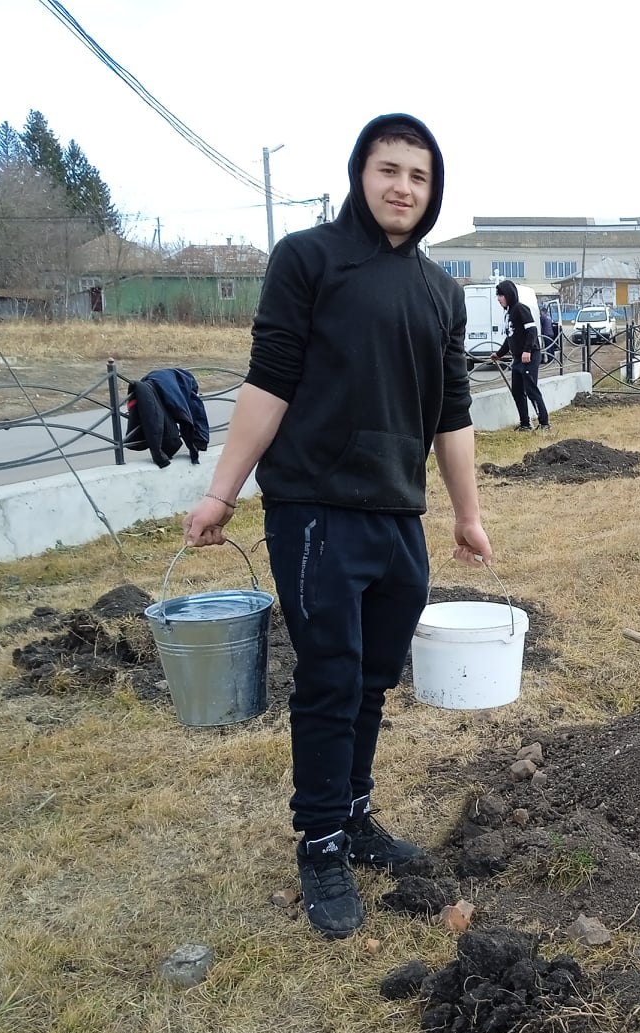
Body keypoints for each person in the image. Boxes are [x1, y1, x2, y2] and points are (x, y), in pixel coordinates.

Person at [182, 113, 492, 941]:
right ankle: (318, 841)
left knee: (373, 678)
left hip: (399, 515)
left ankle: (354, 816)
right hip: (315, 508)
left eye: (420, 177)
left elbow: (452, 413)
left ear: (434, 191)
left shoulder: (440, 292)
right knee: (329, 675)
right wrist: (222, 492)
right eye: (389, 169)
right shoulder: (310, 259)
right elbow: (270, 380)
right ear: (361, 174)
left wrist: (467, 514)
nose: (403, 187)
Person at [493, 279, 549, 432]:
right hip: (517, 358)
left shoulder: (520, 309)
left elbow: (532, 331)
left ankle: (544, 423)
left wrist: (527, 350)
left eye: (501, 295)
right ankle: (525, 423)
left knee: (531, 390)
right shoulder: (509, 313)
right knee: (517, 392)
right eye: (498, 295)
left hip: (529, 356)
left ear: (509, 295)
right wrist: (498, 354)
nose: (499, 298)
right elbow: (510, 337)